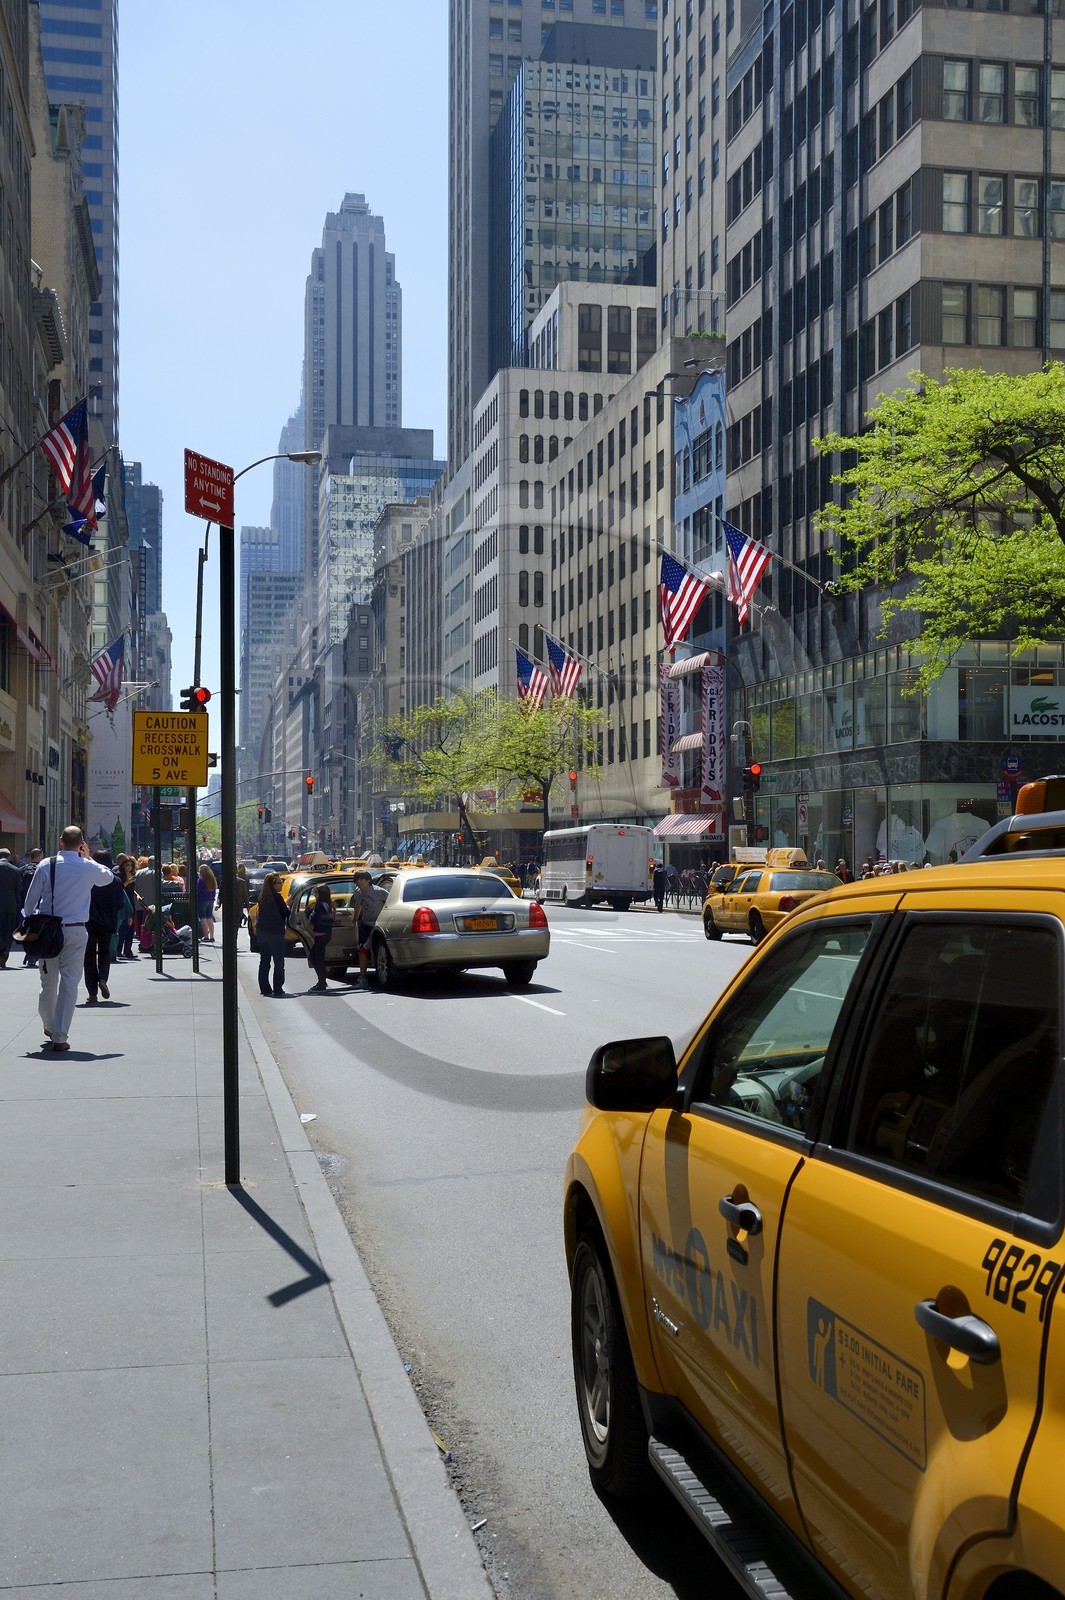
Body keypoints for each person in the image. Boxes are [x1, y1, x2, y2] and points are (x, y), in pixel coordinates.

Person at [21, 826, 115, 1050]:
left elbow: (29, 902)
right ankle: (60, 1036)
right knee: (70, 984)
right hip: (76, 929)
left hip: (47, 930)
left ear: (61, 841)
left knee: (47, 982)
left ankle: (50, 1025)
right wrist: (89, 857)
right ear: (82, 843)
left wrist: (31, 918)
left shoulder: (46, 865)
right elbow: (108, 877)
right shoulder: (87, 867)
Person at [84, 850, 127, 1004]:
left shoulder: (88, 879)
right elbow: (120, 903)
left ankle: (92, 992)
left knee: (88, 956)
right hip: (108, 921)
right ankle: (103, 978)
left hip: (88, 920)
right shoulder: (115, 880)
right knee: (104, 951)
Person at [352, 870, 388, 991]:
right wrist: (354, 920)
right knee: (362, 950)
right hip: (366, 924)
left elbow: (391, 903)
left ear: (368, 880)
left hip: (380, 925)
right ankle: (363, 977)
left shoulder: (379, 892)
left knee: (380, 951)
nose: (360, 881)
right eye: (358, 879)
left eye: (363, 879)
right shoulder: (358, 892)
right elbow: (358, 904)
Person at [256, 871, 290, 996]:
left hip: (262, 933)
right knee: (279, 962)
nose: (281, 884)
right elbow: (286, 913)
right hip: (275, 934)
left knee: (264, 961)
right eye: (279, 882)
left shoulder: (262, 896)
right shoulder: (277, 897)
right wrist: (289, 904)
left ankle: (265, 988)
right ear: (273, 884)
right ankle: (277, 988)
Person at [308, 881, 335, 993]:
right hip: (326, 934)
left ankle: (322, 982)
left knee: (316, 958)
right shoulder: (329, 905)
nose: (315, 895)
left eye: (316, 893)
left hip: (321, 935)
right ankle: (322, 980)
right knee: (317, 957)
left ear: (321, 894)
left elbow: (311, 919)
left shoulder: (319, 905)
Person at [18, 848, 43, 966]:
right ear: (39, 856)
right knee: (37, 932)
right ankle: (32, 956)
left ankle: (29, 953)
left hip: (24, 905)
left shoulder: (22, 869)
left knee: (25, 931)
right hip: (39, 905)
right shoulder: (42, 869)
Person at [0, 846, 23, 967]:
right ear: (8, 856)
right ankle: (4, 953)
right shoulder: (15, 870)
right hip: (11, 906)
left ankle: (2, 946)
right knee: (8, 930)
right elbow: (19, 889)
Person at [115, 857, 139, 958]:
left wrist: (137, 895)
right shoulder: (120, 875)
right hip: (123, 902)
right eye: (126, 865)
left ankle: (128, 950)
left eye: (130, 865)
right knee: (124, 927)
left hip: (131, 901)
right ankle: (118, 949)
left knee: (131, 928)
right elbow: (119, 888)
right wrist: (128, 882)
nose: (129, 867)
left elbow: (131, 889)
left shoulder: (132, 875)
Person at [196, 863, 217, 942]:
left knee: (203, 918)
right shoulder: (212, 879)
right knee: (209, 918)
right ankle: (212, 936)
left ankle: (206, 936)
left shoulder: (201, 880)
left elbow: (198, 890)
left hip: (202, 899)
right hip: (210, 900)